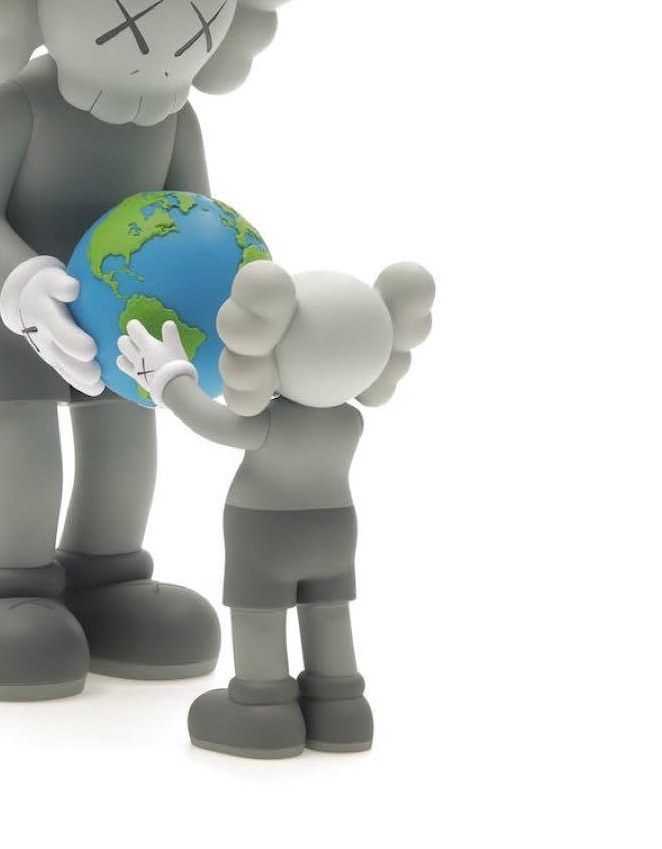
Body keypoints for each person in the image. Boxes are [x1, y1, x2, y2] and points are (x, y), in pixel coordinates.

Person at [0, 0, 311, 699]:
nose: (165, 56)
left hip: (131, 318)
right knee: (25, 454)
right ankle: (1, 590)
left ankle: (104, 578)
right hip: (2, 307)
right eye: (133, 27)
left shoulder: (177, 121)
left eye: (198, 32)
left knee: (125, 446)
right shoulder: (13, 110)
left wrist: (230, 306)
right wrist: (23, 285)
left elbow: (198, 222)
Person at [118, 259, 434, 756]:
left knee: (259, 614)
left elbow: (209, 420)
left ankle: (261, 705)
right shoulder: (348, 423)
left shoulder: (269, 424)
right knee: (329, 611)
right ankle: (342, 708)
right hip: (335, 534)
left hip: (264, 535)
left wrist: (167, 375)